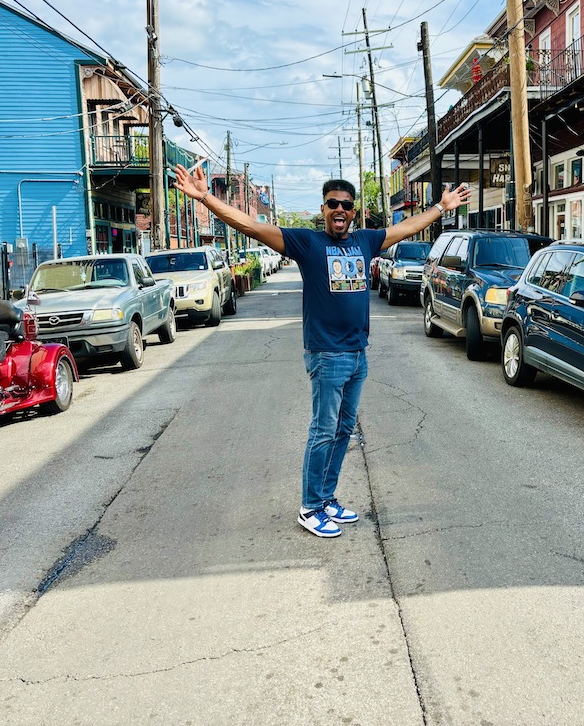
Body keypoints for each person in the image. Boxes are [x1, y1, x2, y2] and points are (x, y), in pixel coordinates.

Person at [172, 165, 471, 538]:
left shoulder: (364, 241)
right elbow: (251, 225)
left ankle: (327, 498)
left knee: (344, 429)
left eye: (346, 204)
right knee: (323, 430)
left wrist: (441, 207)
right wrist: (206, 198)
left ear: (354, 210)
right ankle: (310, 506)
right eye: (333, 204)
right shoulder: (308, 244)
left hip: (357, 352)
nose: (340, 209)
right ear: (323, 209)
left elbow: (406, 228)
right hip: (326, 355)